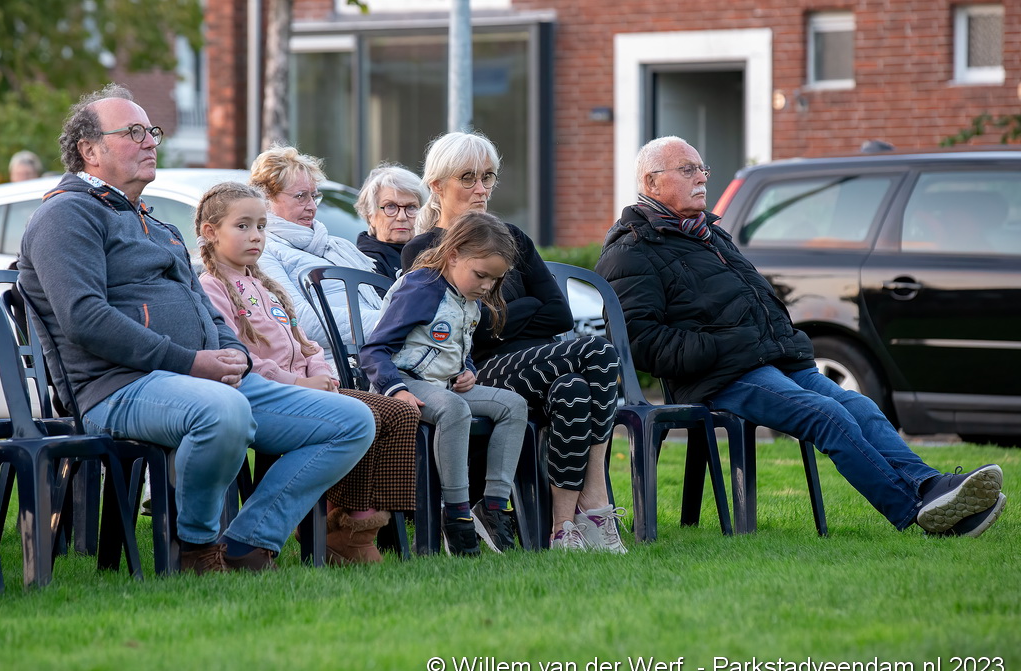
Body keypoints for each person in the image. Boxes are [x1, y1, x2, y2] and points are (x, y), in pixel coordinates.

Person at [17, 84, 376, 575]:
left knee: (351, 420)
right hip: (117, 388)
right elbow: (86, 319)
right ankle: (197, 548)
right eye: (134, 132)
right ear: (90, 150)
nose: (151, 141)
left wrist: (234, 356)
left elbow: (204, 308)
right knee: (223, 410)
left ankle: (251, 543)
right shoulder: (65, 215)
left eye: (152, 131)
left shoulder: (152, 222)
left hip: (200, 380)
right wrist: (190, 362)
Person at [596, 135, 1006, 538]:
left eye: (702, 168)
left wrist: (785, 341)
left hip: (772, 361)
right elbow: (640, 341)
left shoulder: (709, 234)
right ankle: (914, 511)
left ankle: (931, 486)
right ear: (652, 182)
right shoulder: (632, 250)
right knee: (827, 415)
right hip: (719, 376)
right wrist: (724, 347)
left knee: (860, 407)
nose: (702, 177)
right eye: (688, 169)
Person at [402, 131, 626, 553]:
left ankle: (563, 528)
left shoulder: (513, 238)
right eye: (467, 178)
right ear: (437, 186)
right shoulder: (427, 248)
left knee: (573, 389)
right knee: (598, 350)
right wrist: (522, 308)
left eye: (487, 177)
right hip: (478, 373)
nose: (481, 188)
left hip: (544, 364)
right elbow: (473, 329)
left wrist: (499, 313)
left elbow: (559, 313)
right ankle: (595, 498)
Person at [196, 181, 418, 564]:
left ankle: (354, 527)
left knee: (399, 413)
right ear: (210, 232)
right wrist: (299, 382)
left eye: (261, 226)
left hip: (307, 389)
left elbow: (306, 343)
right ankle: (321, 528)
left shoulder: (265, 286)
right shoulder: (212, 287)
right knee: (363, 417)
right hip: (265, 396)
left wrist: (321, 373)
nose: (256, 236)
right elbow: (239, 358)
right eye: (243, 226)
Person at [361, 211, 529, 556]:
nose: (487, 286)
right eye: (481, 275)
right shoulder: (422, 288)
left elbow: (454, 348)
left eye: (494, 280)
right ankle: (456, 514)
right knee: (454, 410)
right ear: (454, 255)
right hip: (403, 382)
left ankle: (493, 506)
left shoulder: (468, 298)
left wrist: (467, 369)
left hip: (444, 386)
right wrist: (396, 389)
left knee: (514, 405)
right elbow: (374, 349)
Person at [251, 145, 384, 361]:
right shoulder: (262, 250)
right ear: (267, 199)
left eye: (314, 196)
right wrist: (389, 322)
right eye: (301, 196)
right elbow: (301, 321)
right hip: (337, 366)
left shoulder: (330, 244)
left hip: (378, 354)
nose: (312, 206)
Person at [354, 162, 428, 283]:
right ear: (370, 215)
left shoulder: (434, 255)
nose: (401, 217)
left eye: (411, 207)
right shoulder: (363, 264)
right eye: (390, 206)